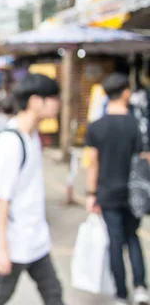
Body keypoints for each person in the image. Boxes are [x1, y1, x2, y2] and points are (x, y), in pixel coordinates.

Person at [0, 73, 64, 305]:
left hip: (35, 236)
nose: (58, 103)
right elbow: (1, 199)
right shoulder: (10, 142)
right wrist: (2, 250)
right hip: (15, 239)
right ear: (37, 101)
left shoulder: (32, 136)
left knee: (53, 293)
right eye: (54, 98)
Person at [85, 73, 150, 305]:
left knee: (115, 241)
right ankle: (141, 287)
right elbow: (145, 157)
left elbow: (93, 162)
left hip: (107, 192)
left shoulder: (96, 127)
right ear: (125, 92)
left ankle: (121, 294)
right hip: (134, 193)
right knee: (133, 237)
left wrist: (91, 193)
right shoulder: (136, 124)